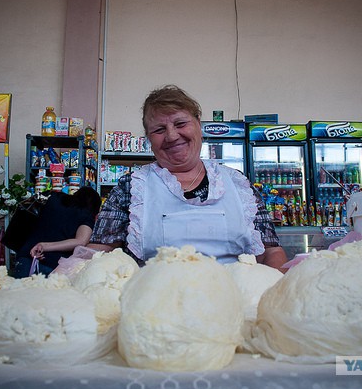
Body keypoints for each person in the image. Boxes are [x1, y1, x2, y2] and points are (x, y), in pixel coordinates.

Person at [88, 84, 288, 271]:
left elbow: (271, 251)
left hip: (235, 303)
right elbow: (99, 253)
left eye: (180, 123)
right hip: (155, 304)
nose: (172, 136)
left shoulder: (238, 184)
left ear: (198, 124)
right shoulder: (131, 188)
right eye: (159, 130)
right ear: (149, 139)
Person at [12, 186, 102, 277]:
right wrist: (43, 246)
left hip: (25, 258)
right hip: (52, 265)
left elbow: (24, 212)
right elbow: (81, 241)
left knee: (19, 290)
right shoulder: (87, 215)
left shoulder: (53, 197)